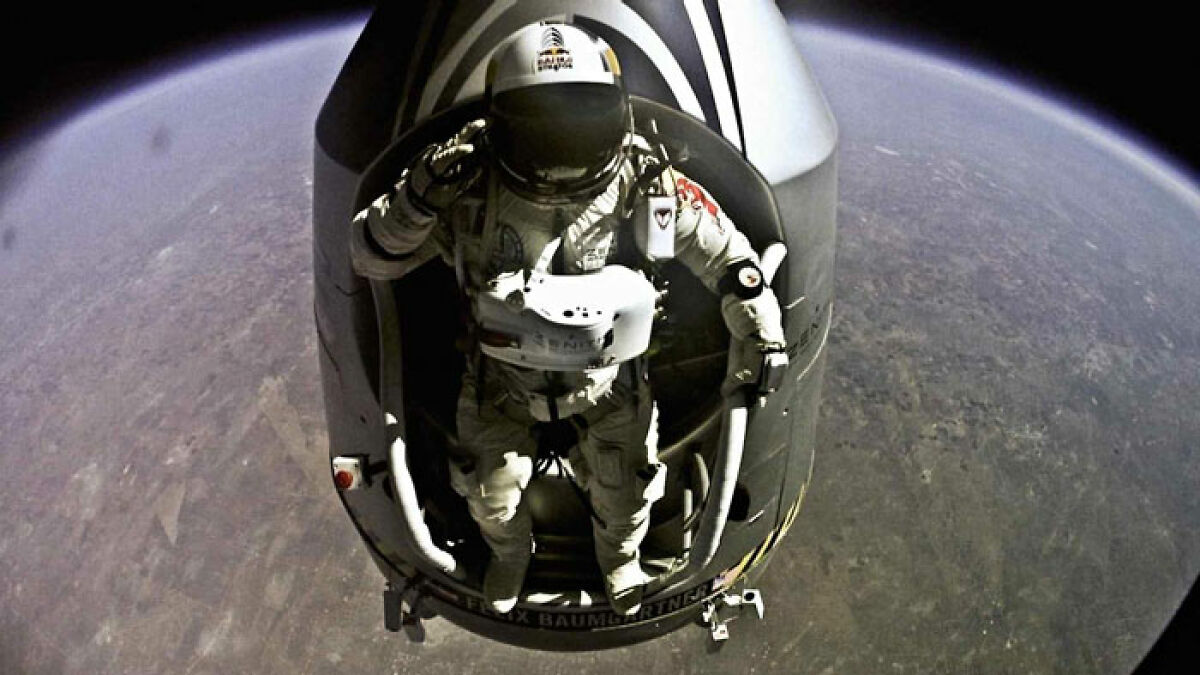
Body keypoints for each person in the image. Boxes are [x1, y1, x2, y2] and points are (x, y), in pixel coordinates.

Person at [349, 22, 786, 617]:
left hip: (610, 383)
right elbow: (374, 252)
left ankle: (619, 560)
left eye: (578, 127)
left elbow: (729, 260)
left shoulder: (642, 180)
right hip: (500, 383)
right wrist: (420, 196)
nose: (561, 154)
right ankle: (510, 553)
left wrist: (761, 334)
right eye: (546, 132)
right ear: (504, 127)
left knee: (625, 488)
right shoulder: (466, 181)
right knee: (489, 493)